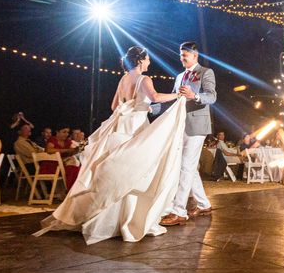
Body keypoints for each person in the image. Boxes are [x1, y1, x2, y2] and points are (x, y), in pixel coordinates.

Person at [34, 45, 182, 244]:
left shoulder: (123, 79)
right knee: (134, 171)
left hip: (119, 127)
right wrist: (177, 96)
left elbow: (114, 106)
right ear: (140, 60)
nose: (149, 62)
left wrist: (131, 106)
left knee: (114, 171)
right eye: (147, 59)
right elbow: (155, 97)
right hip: (134, 128)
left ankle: (103, 219)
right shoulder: (144, 79)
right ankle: (124, 221)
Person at [160, 41, 217, 226]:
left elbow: (212, 96)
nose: (181, 57)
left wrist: (195, 95)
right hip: (180, 126)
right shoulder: (179, 77)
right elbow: (172, 100)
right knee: (189, 168)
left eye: (185, 54)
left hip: (197, 126)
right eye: (180, 54)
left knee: (185, 166)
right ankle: (204, 204)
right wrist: (145, 108)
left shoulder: (205, 72)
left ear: (195, 56)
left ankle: (179, 211)